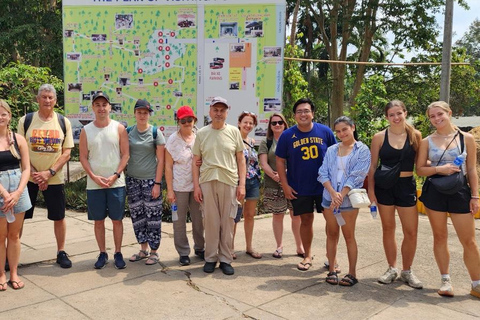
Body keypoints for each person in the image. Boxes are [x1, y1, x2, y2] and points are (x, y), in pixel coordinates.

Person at [416, 101, 480, 298]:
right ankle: (445, 280)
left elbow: (471, 169)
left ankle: (476, 284)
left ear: (449, 113)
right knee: (440, 237)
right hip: (435, 191)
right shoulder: (427, 141)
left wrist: (475, 195)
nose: (437, 119)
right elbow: (419, 169)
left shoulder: (466, 138)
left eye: (440, 114)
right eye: (432, 116)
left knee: (468, 240)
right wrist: (439, 169)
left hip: (460, 192)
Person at [367, 100, 423, 289]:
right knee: (388, 228)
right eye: (392, 114)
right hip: (384, 187)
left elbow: (422, 162)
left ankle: (407, 271)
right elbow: (373, 166)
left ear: (405, 113)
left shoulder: (415, 135)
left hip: (406, 186)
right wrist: (371, 191)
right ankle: (392, 268)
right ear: (386, 117)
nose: (396, 117)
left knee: (411, 231)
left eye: (399, 113)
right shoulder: (379, 137)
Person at [18, 84, 74, 269]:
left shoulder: (63, 122)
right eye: (44, 97)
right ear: (38, 99)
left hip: (54, 179)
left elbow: (66, 152)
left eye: (50, 97)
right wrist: (35, 173)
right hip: (28, 179)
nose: (47, 100)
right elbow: (19, 149)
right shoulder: (25, 120)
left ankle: (61, 252)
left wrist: (49, 173)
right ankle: (13, 255)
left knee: (59, 217)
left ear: (55, 101)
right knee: (20, 217)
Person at [276, 97, 336, 271]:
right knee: (306, 220)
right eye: (299, 111)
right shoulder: (287, 136)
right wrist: (285, 185)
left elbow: (336, 155)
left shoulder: (325, 132)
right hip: (300, 186)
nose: (303, 114)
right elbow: (280, 161)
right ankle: (307, 255)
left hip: (325, 187)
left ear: (313, 113)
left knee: (331, 221)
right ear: (294, 115)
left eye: (306, 111)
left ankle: (331, 258)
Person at [193, 97, 246, 275]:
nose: (219, 113)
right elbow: (195, 161)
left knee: (228, 222)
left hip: (229, 181)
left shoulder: (233, 132)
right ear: (210, 111)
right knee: (210, 222)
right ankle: (210, 258)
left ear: (227, 113)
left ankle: (225, 259)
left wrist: (242, 185)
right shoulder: (201, 133)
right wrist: (196, 186)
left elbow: (241, 160)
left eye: (222, 110)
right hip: (207, 181)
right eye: (216, 110)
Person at [79, 92, 129, 270]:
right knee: (98, 221)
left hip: (116, 183)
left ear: (110, 107)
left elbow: (125, 155)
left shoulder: (119, 128)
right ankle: (102, 253)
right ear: (93, 107)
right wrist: (93, 176)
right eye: (97, 104)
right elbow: (83, 157)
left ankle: (117, 252)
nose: (101, 108)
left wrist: (115, 175)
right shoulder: (86, 130)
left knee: (117, 220)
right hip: (94, 184)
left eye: (104, 104)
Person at [318, 116, 370, 286]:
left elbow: (358, 175)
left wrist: (341, 195)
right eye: (338, 131)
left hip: (348, 201)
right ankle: (332, 269)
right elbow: (322, 172)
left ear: (353, 127)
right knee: (331, 234)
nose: (342, 134)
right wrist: (333, 193)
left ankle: (352, 273)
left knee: (349, 236)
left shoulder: (362, 150)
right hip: (329, 199)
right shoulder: (332, 149)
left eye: (345, 130)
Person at [258, 113, 304, 258]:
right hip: (273, 184)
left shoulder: (293, 139)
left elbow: (298, 160)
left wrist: (285, 175)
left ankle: (300, 246)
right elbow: (263, 163)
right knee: (277, 215)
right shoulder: (267, 142)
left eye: (280, 122)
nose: (277, 125)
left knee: (296, 215)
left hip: (292, 183)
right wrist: (276, 176)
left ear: (284, 123)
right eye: (274, 123)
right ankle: (279, 246)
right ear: (270, 126)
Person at [125, 99, 165, 265]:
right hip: (133, 181)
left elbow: (161, 160)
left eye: (145, 112)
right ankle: (143, 249)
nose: (142, 115)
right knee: (138, 216)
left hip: (150, 182)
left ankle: (154, 252)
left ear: (149, 114)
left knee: (153, 217)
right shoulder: (127, 132)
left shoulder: (155, 133)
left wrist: (157, 184)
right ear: (134, 113)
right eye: (139, 112)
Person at [165, 105, 205, 266]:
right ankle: (183, 252)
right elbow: (168, 166)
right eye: (184, 121)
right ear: (178, 122)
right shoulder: (172, 140)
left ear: (194, 120)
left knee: (199, 220)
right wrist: (169, 190)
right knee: (179, 221)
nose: (187, 123)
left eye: (190, 120)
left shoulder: (200, 136)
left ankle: (200, 248)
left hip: (197, 186)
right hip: (179, 187)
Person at [0, 100, 31, 290]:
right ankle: (1, 274)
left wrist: (18, 192)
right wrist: (4, 193)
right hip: (1, 190)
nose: (0, 117)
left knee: (14, 236)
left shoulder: (18, 139)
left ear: (9, 116)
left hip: (18, 189)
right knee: (0, 235)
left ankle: (13, 273)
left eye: (3, 114)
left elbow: (26, 168)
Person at [234, 111, 262, 259]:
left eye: (251, 123)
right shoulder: (233, 139)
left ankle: (249, 246)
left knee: (250, 215)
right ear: (239, 123)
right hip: (238, 182)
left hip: (253, 182)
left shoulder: (251, 141)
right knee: (234, 216)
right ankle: (229, 247)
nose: (248, 125)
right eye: (245, 122)